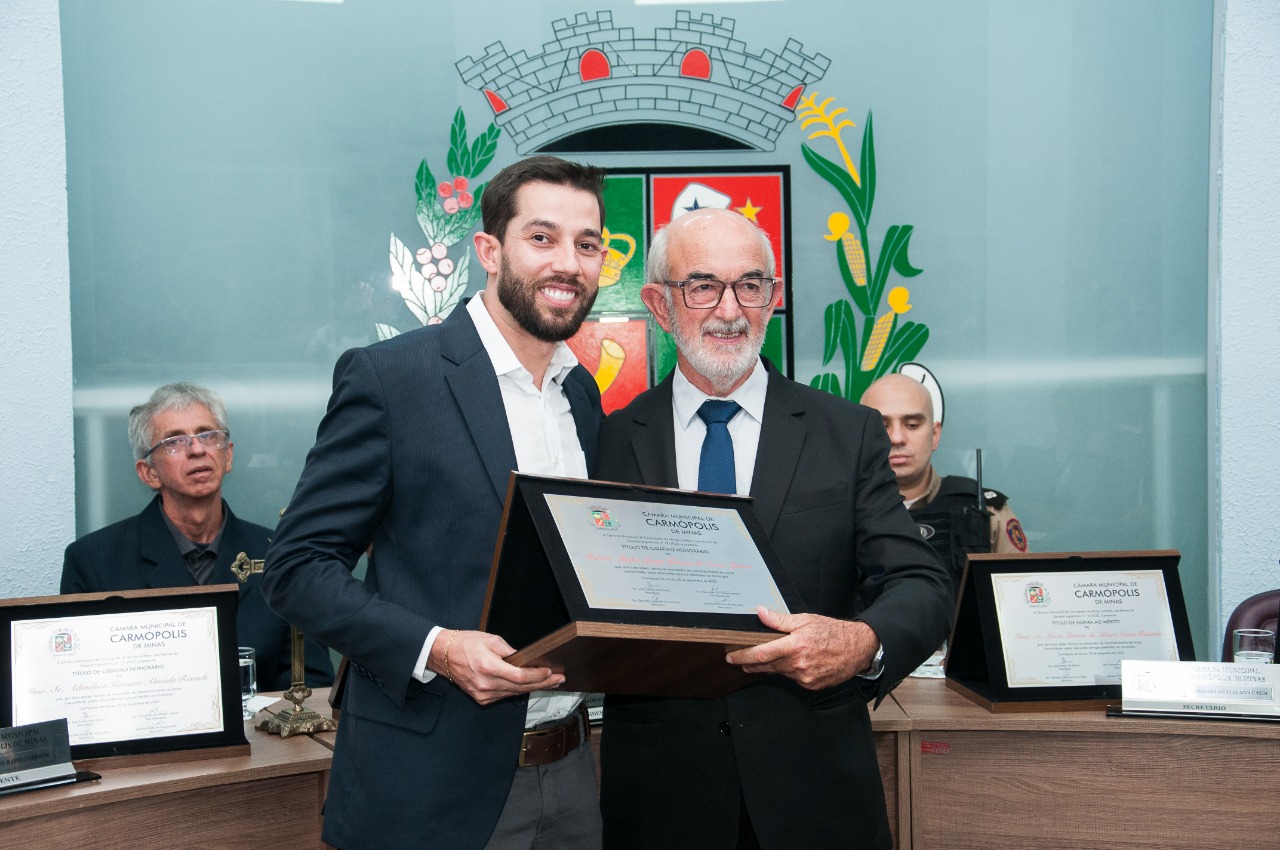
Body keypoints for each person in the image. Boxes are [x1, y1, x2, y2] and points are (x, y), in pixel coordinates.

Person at [261, 155, 609, 850]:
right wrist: (439, 649)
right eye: (542, 238)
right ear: (489, 250)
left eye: (587, 243)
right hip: (428, 786)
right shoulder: (393, 378)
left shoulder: (580, 393)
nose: (568, 263)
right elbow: (297, 568)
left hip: (572, 772)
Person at [595, 208, 952, 850]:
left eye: (750, 285)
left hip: (814, 794)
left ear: (773, 296)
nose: (730, 310)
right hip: (660, 800)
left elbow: (921, 584)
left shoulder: (846, 432)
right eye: (703, 286)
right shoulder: (612, 440)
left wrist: (863, 641)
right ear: (659, 304)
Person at [60, 381, 334, 691]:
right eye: (174, 441)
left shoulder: (280, 554)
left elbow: (309, 684)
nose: (197, 449)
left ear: (228, 456)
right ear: (149, 472)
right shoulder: (94, 562)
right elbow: (81, 684)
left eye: (208, 435)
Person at [860, 373, 1028, 595]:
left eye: (912, 425)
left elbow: (1022, 599)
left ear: (935, 434)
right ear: (861, 438)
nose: (897, 438)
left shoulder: (985, 511)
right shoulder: (837, 515)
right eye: (882, 426)